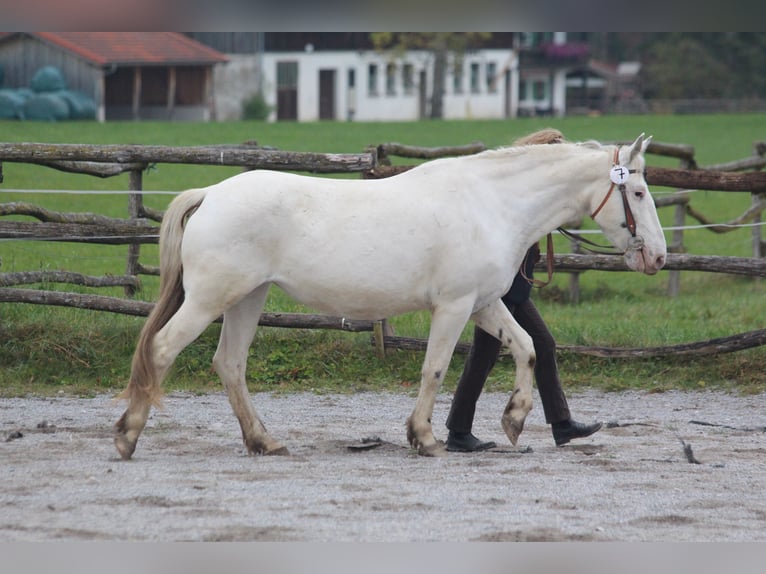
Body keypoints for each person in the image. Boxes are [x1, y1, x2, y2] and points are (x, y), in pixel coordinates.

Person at [445, 129, 602, 452]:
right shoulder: (521, 194)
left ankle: (561, 423)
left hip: (516, 287)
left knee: (541, 345)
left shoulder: (539, 196)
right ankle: (458, 431)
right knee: (485, 356)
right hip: (502, 289)